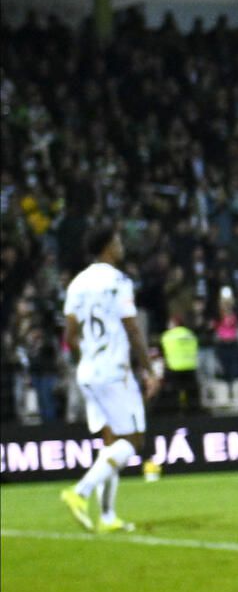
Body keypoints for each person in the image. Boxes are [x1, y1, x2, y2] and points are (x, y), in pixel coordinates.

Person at [59, 227, 160, 534]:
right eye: (117, 242)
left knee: (112, 442)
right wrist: (149, 370)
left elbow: (70, 336)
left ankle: (107, 517)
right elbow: (132, 328)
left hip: (88, 371)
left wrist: (89, 358)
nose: (121, 247)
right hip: (115, 371)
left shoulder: (77, 283)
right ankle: (80, 492)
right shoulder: (118, 281)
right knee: (134, 440)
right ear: (107, 247)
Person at [158, 309, 202, 418]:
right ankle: (194, 415)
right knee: (192, 394)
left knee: (173, 395)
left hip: (174, 368)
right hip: (190, 367)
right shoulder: (191, 334)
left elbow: (162, 352)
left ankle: (174, 414)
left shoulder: (167, 336)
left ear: (173, 323)